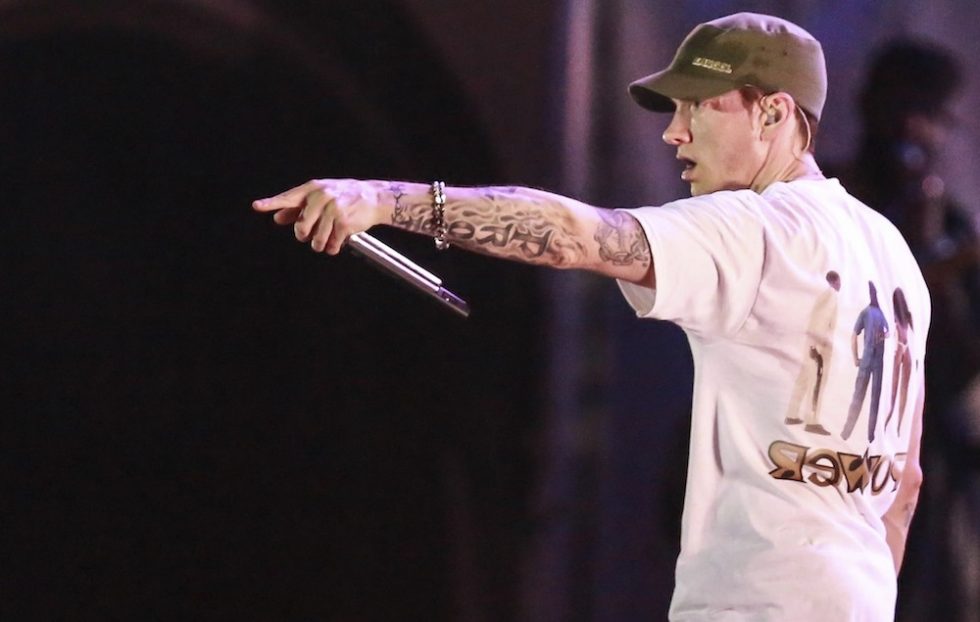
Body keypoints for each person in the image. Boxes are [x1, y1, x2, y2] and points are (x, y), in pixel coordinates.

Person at [254, 13, 930, 621]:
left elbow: (576, 235)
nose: (674, 131)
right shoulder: (889, 251)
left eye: (699, 107)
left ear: (774, 115)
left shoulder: (753, 228)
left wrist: (381, 199)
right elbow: (905, 481)